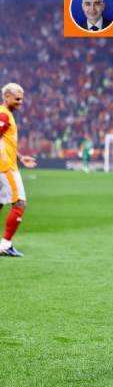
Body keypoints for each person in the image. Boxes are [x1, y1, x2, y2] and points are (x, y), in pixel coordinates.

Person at [0, 83, 37, 257]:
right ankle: (5, 245)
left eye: (21, 99)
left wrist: (20, 157)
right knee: (20, 202)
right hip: (6, 167)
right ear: (7, 97)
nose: (20, 102)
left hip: (6, 164)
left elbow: (5, 142)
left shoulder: (6, 115)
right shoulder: (3, 115)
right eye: (17, 99)